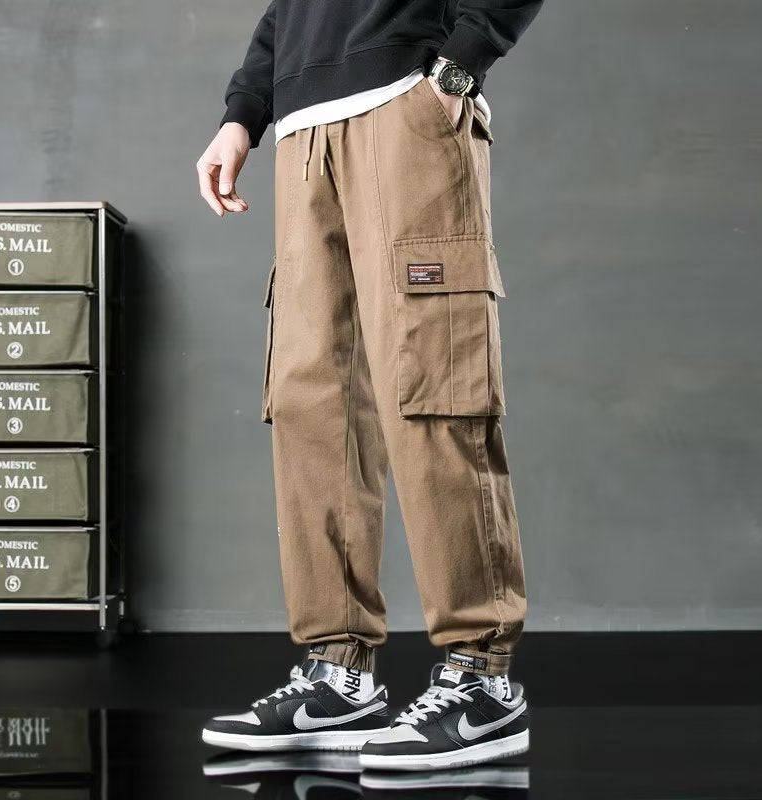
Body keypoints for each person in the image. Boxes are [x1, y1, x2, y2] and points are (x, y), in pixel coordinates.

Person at [198, 0, 543, 772]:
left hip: (405, 107)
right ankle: (338, 675)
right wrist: (243, 114)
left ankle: (481, 679)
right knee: (311, 404)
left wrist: (457, 70)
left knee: (433, 386)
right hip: (300, 132)